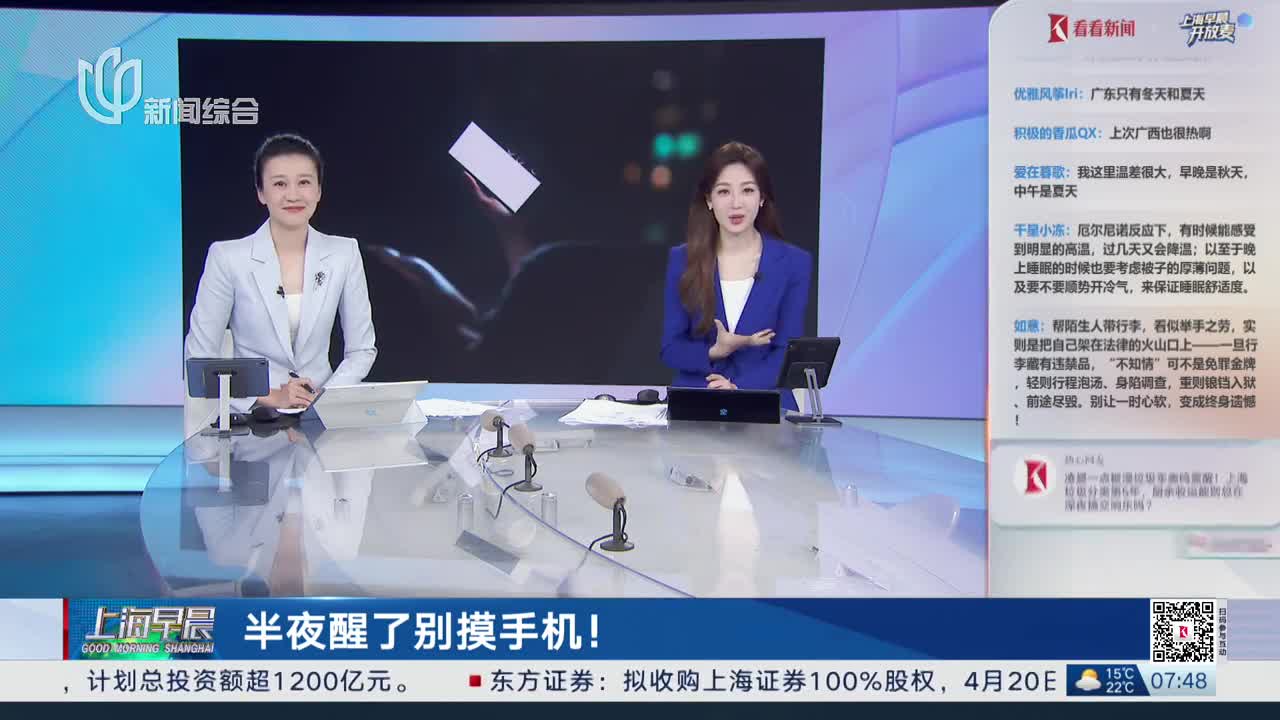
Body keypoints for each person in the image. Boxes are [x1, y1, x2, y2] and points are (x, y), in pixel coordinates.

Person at [185, 134, 377, 412]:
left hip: (323, 415)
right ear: (261, 193)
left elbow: (361, 350)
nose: (293, 195)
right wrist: (272, 396)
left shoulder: (344, 253)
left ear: (319, 190)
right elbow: (198, 363)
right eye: (279, 184)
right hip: (253, 417)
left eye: (304, 182)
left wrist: (324, 398)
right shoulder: (227, 258)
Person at [660, 141, 813, 411]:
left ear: (762, 197)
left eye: (747, 190)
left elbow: (786, 352)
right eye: (724, 191)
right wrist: (714, 352)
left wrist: (738, 387)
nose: (736, 203)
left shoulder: (794, 263)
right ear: (709, 199)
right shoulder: (682, 260)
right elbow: (671, 348)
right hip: (699, 400)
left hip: (765, 404)